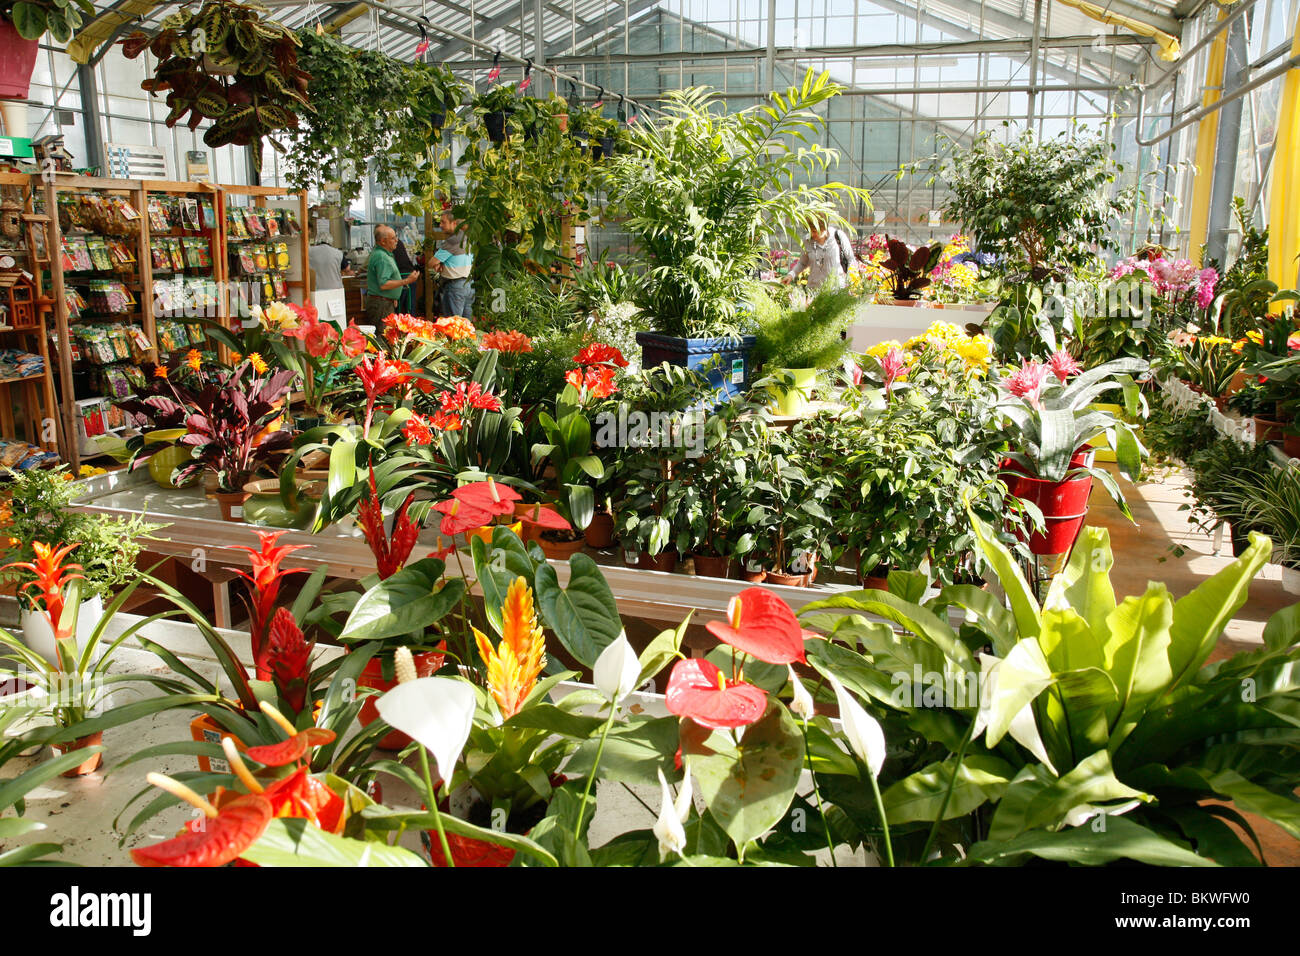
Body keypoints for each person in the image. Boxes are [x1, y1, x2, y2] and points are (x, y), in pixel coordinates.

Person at [783, 216, 853, 292]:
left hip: (836, 290)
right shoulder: (807, 240)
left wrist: (850, 282)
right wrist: (791, 275)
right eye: (810, 231)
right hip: (814, 290)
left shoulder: (838, 236)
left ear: (824, 227)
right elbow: (802, 263)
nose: (812, 234)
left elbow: (851, 259)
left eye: (814, 231)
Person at [366, 224, 419, 323]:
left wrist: (393, 297)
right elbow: (384, 284)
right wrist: (407, 281)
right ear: (383, 241)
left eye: (396, 237)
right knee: (382, 334)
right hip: (381, 304)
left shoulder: (386, 254)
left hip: (385, 301)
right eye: (393, 238)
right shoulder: (381, 257)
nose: (397, 240)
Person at [432, 209, 474, 318]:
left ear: (454, 223)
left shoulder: (453, 240)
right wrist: (442, 263)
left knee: (453, 325)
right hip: (469, 285)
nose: (440, 225)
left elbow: (431, 262)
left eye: (443, 222)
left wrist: (439, 263)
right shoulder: (467, 237)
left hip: (455, 286)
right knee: (466, 325)